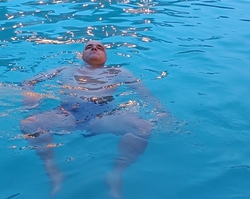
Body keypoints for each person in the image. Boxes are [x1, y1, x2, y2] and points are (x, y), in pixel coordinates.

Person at [20, 40, 165, 198]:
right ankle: (53, 171)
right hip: (67, 113)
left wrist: (162, 111)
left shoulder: (119, 72)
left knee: (143, 127)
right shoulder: (65, 70)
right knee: (30, 124)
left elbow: (144, 93)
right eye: (89, 47)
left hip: (103, 115)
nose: (94, 48)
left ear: (106, 57)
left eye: (99, 47)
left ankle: (116, 174)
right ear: (82, 55)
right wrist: (30, 95)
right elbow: (29, 81)